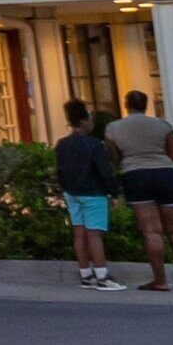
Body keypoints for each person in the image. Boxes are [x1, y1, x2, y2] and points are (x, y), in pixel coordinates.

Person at [110, 90, 173, 294]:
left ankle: (160, 280)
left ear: (126, 104)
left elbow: (114, 158)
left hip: (135, 174)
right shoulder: (163, 125)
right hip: (165, 173)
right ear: (146, 104)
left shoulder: (114, 128)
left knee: (151, 230)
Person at [58, 98, 122, 289]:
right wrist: (114, 192)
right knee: (95, 234)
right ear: (85, 120)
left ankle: (86, 274)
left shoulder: (62, 144)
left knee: (79, 233)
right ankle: (102, 275)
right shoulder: (94, 144)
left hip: (72, 192)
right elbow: (104, 171)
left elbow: (60, 170)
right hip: (93, 192)